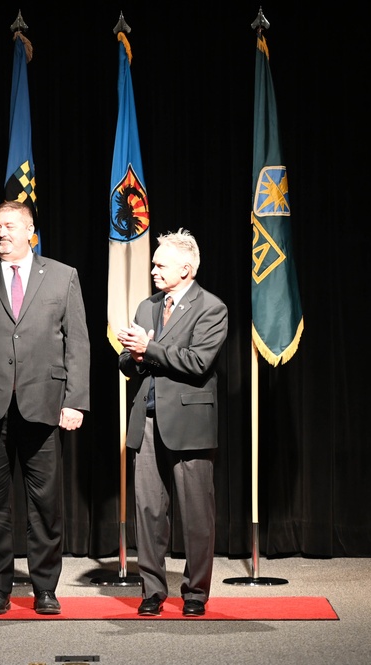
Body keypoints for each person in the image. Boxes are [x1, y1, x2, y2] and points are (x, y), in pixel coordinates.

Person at [0, 200, 90, 616]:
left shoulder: (63, 276)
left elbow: (78, 343)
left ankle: (45, 588)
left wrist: (75, 401)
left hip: (44, 404)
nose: (0, 233)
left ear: (30, 231)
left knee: (45, 505)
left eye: (8, 226)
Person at [116, 228, 228, 617]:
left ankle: (195, 593)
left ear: (186, 268)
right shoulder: (147, 307)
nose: (153, 269)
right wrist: (132, 352)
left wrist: (150, 349)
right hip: (145, 422)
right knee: (148, 511)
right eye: (153, 263)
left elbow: (198, 363)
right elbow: (129, 365)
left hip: (189, 423)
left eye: (160, 264)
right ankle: (151, 590)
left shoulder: (211, 308)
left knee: (196, 514)